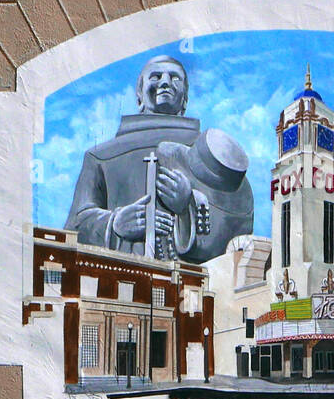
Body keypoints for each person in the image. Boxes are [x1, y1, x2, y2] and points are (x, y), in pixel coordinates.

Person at [65, 54, 254, 264]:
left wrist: (187, 207)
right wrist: (115, 223)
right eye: (155, 76)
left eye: (174, 78)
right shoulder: (100, 157)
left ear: (185, 99)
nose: (165, 82)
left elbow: (237, 239)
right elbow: (73, 230)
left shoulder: (213, 158)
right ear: (138, 96)